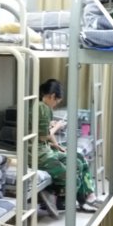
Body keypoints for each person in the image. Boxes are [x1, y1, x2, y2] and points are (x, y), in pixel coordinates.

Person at [37, 79, 96, 213]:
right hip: (40, 153)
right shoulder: (42, 108)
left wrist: (57, 145)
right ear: (52, 96)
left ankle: (83, 197)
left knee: (79, 160)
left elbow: (44, 132)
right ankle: (65, 197)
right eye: (57, 101)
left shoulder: (44, 108)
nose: (56, 105)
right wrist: (57, 127)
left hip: (46, 149)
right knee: (72, 171)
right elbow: (43, 136)